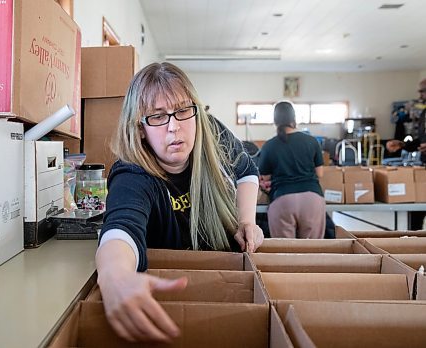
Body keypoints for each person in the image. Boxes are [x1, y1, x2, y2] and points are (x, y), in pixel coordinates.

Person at [95, 62, 264, 343]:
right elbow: (121, 228)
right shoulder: (133, 174)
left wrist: (247, 220)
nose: (175, 127)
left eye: (183, 110)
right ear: (139, 128)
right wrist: (114, 274)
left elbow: (246, 170)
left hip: (223, 287)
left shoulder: (207, 128)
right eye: (158, 117)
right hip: (168, 298)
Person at [257, 101, 325, 238]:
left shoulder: (269, 146)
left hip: (283, 200)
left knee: (285, 253)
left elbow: (264, 177)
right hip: (312, 199)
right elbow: (320, 173)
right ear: (294, 119)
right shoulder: (312, 141)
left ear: (275, 121)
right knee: (313, 251)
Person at [386, 78, 426, 230]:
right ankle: (413, 245)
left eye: (423, 90)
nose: (419, 94)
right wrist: (402, 145)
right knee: (416, 212)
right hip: (423, 169)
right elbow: (421, 140)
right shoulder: (424, 114)